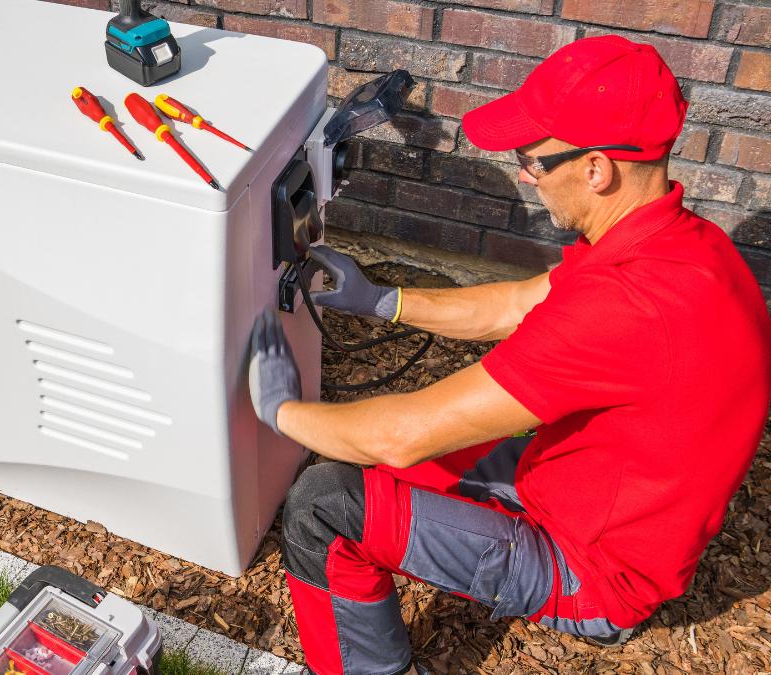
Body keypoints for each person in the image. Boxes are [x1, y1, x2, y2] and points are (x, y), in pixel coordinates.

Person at [247, 35, 771, 675]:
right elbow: (519, 303)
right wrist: (384, 300)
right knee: (389, 458)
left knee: (325, 504)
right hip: (589, 488)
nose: (525, 175)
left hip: (594, 570)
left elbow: (400, 436)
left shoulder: (626, 307)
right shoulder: (682, 245)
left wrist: (280, 412)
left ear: (596, 169)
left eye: (532, 161)